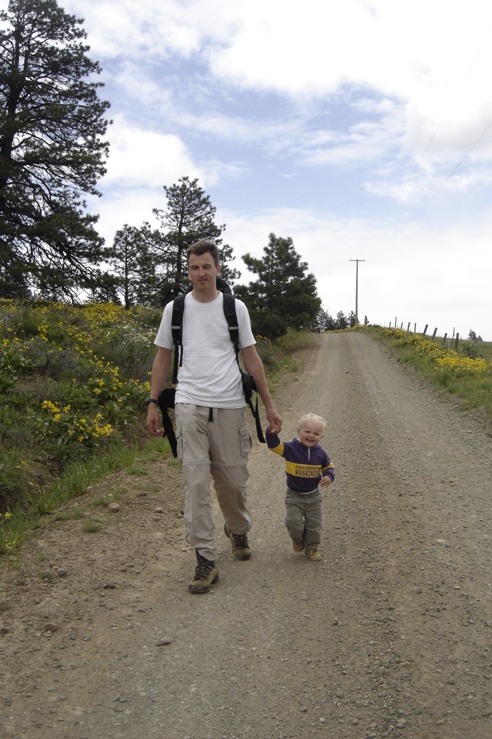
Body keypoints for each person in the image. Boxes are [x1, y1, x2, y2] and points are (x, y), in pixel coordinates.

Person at [147, 240, 282, 594]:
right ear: (188, 271)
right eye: (194, 268)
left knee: (233, 483)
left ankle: (237, 530)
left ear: (218, 269)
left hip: (230, 405)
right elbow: (163, 358)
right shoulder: (175, 310)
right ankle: (205, 559)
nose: (201, 274)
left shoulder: (234, 308)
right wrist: (151, 402)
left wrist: (269, 405)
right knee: (195, 485)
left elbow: (251, 359)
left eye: (207, 267)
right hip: (189, 405)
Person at [266, 413, 334, 561]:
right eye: (307, 432)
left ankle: (311, 548)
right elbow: (274, 446)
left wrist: (328, 476)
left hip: (313, 497)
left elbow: (328, 467)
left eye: (316, 433)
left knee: (314, 525)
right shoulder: (291, 448)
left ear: (321, 437)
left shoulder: (321, 453)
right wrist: (271, 433)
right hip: (294, 496)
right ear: (298, 431)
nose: (311, 436)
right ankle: (298, 539)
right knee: (292, 522)